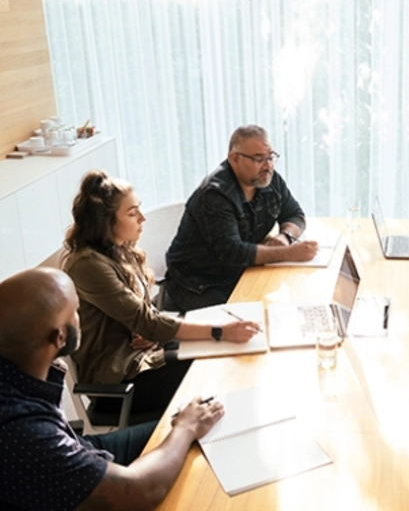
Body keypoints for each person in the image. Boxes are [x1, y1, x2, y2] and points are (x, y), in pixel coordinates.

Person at [0, 267, 224, 511]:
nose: (81, 317)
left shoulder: (18, 371)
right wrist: (186, 428)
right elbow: (140, 492)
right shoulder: (23, 435)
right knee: (189, 438)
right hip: (72, 461)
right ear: (60, 338)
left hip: (79, 445)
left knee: (192, 429)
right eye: (76, 311)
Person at [64, 170, 260, 416]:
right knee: (213, 366)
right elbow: (146, 321)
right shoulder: (88, 265)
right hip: (120, 383)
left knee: (219, 353)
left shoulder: (119, 250)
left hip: (145, 356)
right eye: (132, 213)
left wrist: (154, 333)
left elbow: (147, 318)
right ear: (106, 221)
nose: (143, 218)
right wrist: (219, 330)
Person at [164, 124, 319, 311]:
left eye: (270, 157)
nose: (268, 165)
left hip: (242, 271)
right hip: (199, 283)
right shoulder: (214, 195)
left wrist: (285, 237)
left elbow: (294, 214)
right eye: (258, 159)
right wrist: (289, 254)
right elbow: (233, 252)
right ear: (234, 159)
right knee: (246, 324)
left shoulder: (269, 179)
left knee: (291, 302)